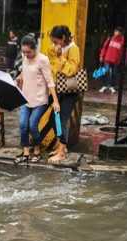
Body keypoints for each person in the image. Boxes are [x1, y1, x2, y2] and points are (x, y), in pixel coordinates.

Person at [14, 35, 60, 164]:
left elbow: (50, 81)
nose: (26, 54)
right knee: (23, 125)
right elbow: (25, 71)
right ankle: (26, 150)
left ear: (35, 49)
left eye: (28, 52)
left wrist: (55, 101)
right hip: (25, 98)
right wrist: (19, 77)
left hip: (40, 99)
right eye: (24, 52)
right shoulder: (25, 57)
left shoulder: (43, 60)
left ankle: (37, 149)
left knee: (33, 124)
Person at [47, 25, 81, 163]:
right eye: (53, 42)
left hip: (69, 90)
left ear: (63, 38)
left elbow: (71, 70)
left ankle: (61, 152)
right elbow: (50, 63)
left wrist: (60, 57)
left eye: (56, 41)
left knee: (62, 119)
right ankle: (62, 146)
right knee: (53, 119)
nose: (54, 45)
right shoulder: (55, 48)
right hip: (58, 88)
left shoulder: (74, 49)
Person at [98, 27, 125, 94]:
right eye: (115, 31)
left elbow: (122, 51)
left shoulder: (122, 41)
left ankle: (112, 86)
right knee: (106, 71)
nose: (115, 33)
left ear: (120, 33)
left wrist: (120, 60)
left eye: (117, 31)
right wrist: (101, 56)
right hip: (107, 59)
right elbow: (104, 47)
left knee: (114, 73)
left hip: (115, 60)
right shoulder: (110, 38)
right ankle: (104, 85)